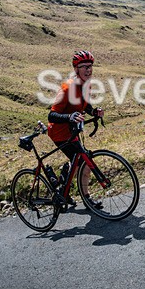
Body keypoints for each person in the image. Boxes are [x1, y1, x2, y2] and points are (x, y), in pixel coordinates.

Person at [47, 50, 104, 207]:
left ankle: (61, 185)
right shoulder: (67, 88)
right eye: (84, 66)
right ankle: (81, 197)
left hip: (73, 132)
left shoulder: (87, 85)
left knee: (80, 162)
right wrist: (69, 117)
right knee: (83, 164)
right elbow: (51, 116)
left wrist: (94, 111)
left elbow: (84, 105)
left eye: (90, 66)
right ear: (76, 69)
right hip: (59, 134)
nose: (88, 69)